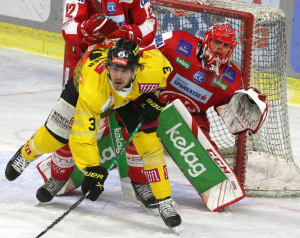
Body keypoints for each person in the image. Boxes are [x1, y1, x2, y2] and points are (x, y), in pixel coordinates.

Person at [36, 22, 263, 209]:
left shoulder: (232, 78)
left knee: (198, 143)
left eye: (225, 46)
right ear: (207, 39)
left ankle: (216, 185)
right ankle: (61, 175)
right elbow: (143, 54)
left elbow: (231, 116)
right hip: (146, 103)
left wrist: (249, 109)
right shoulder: (177, 40)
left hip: (188, 116)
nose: (220, 49)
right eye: (217, 42)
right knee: (92, 130)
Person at [5, 39, 181, 228]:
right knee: (55, 137)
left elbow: (164, 66)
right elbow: (82, 137)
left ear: (136, 70)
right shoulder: (92, 93)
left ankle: (164, 201)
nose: (118, 77)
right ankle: (25, 154)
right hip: (80, 88)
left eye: (125, 71)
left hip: (127, 98)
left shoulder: (149, 72)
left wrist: (155, 98)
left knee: (149, 143)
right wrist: (92, 170)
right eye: (115, 69)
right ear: (107, 67)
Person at [47, 0, 157, 205]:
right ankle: (58, 176)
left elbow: (150, 26)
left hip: (123, 69)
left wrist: (127, 33)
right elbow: (68, 29)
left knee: (135, 126)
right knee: (69, 125)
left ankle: (139, 182)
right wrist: (88, 30)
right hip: (86, 67)